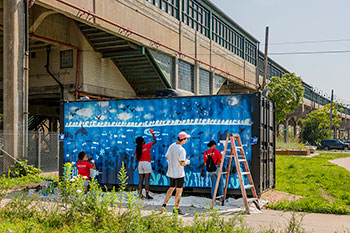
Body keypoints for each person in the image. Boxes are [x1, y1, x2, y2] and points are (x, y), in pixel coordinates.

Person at [160, 131, 190, 215]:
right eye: (186, 139)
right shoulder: (181, 150)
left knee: (171, 188)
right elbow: (181, 163)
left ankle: (164, 204)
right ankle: (176, 208)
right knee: (179, 191)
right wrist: (187, 162)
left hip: (171, 172)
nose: (186, 140)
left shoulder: (172, 146)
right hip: (179, 173)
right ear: (183, 139)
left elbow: (167, 157)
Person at [135, 130, 157, 199]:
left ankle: (140, 195)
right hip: (147, 163)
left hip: (140, 164)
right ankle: (147, 195)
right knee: (147, 180)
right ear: (142, 142)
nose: (145, 141)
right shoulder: (147, 146)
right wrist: (153, 134)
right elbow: (155, 141)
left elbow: (136, 159)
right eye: (143, 140)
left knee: (140, 180)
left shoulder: (137, 149)